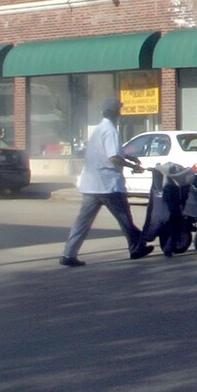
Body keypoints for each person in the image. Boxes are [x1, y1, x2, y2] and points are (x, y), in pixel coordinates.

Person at [60, 99, 150, 267]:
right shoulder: (110, 131)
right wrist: (132, 166)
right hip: (108, 185)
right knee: (124, 218)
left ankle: (68, 254)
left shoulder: (98, 130)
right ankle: (136, 247)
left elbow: (109, 152)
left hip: (91, 185)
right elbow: (113, 157)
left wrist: (129, 157)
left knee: (82, 222)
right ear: (116, 112)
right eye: (119, 110)